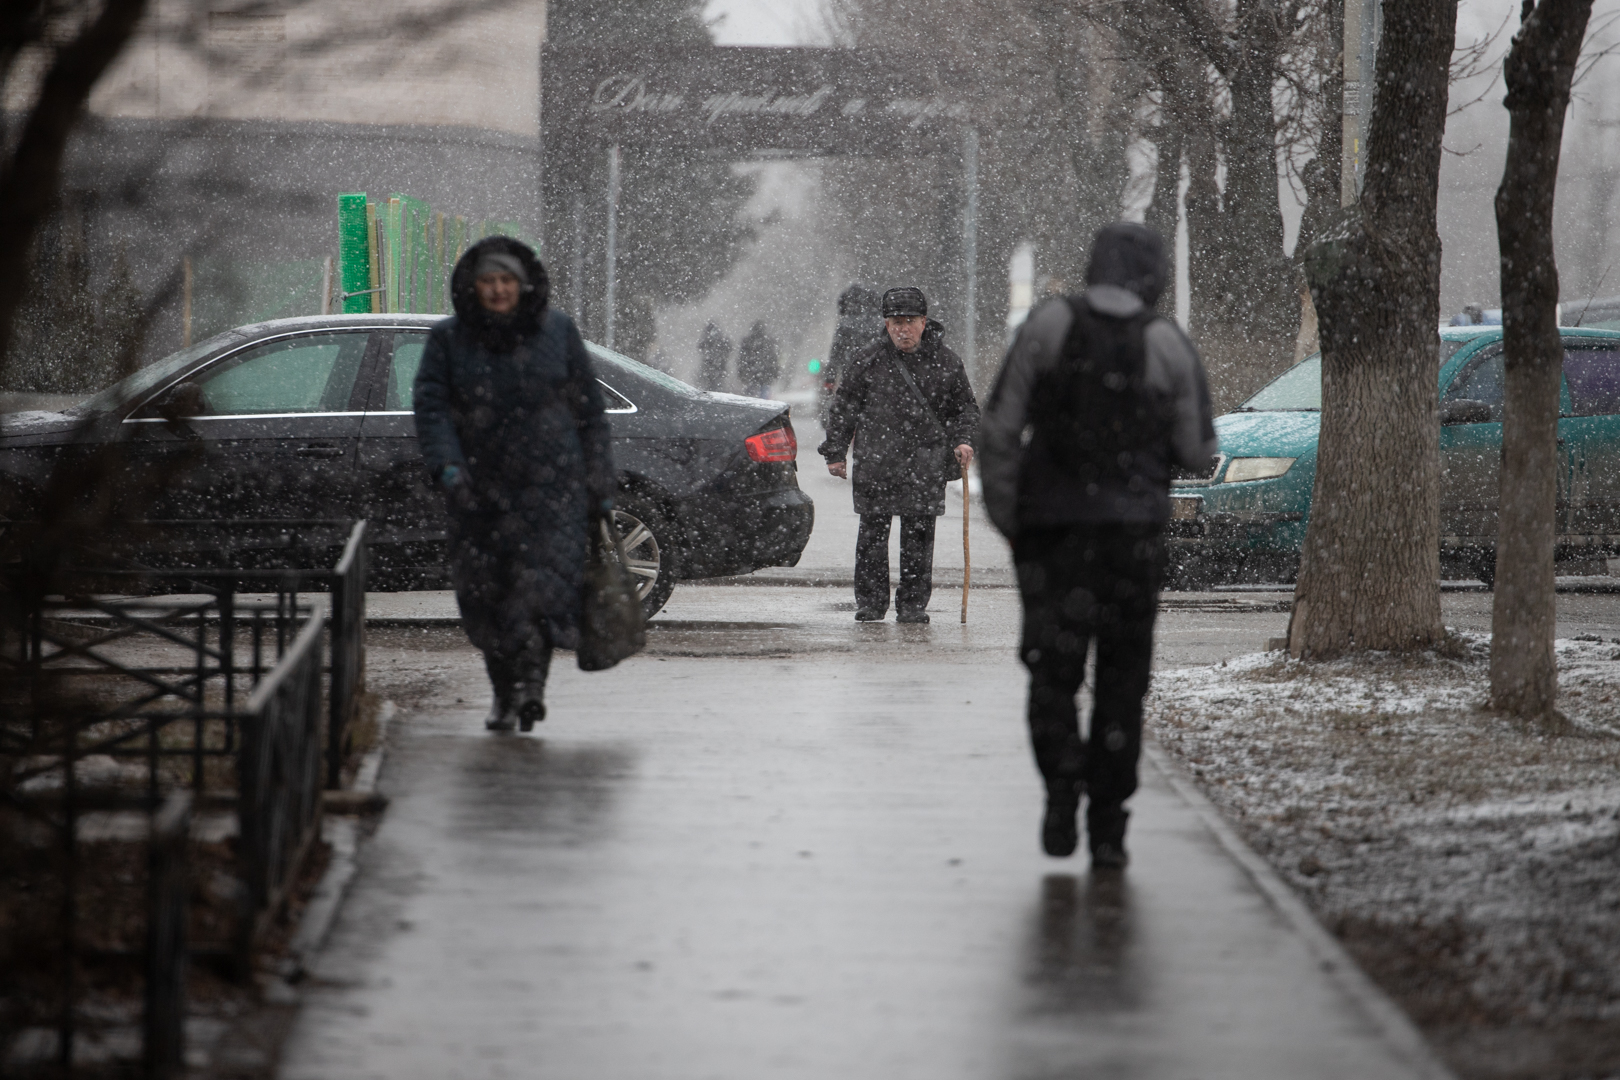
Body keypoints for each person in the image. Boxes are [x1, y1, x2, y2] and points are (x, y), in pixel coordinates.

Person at [980, 223, 1217, 867]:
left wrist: (1014, 519)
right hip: (1132, 541)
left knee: (1052, 673)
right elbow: (1199, 450)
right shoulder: (1167, 341)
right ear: (1154, 275)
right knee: (1121, 680)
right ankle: (1109, 825)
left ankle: (1061, 794)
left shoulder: (1047, 325)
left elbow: (999, 428)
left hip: (1054, 537)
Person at [414, 236, 617, 732]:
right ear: (474, 286)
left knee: (540, 593)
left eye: (506, 280)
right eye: (489, 281)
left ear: (522, 285)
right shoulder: (448, 340)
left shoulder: (558, 332)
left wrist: (598, 479)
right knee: (489, 596)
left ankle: (530, 689)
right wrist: (449, 469)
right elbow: (432, 408)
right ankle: (503, 691)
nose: (499, 290)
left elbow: (590, 412)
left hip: (552, 492)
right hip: (479, 494)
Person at [819, 286, 978, 624]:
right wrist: (835, 451)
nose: (902, 329)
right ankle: (872, 603)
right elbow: (844, 408)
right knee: (872, 538)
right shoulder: (868, 359)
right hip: (877, 463)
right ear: (886, 324)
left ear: (924, 322)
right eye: (895, 322)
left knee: (918, 539)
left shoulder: (946, 361)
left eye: (909, 321)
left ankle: (912, 605)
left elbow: (966, 408)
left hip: (926, 463)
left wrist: (964, 440)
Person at [822, 284, 883, 417]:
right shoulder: (881, 323)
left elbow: (835, 355)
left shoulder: (845, 324)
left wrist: (830, 379)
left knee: (851, 413)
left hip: (852, 376)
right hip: (880, 377)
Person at [736, 321, 781, 398]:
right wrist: (774, 372)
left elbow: (742, 358)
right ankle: (763, 407)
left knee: (749, 396)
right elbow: (773, 358)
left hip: (750, 373)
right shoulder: (768, 342)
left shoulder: (747, 341)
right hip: (765, 374)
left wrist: (742, 372)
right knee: (764, 395)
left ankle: (750, 407)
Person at [697, 321, 732, 391]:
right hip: (717, 366)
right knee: (717, 385)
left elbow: (700, 347)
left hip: (711, 366)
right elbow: (728, 348)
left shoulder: (708, 339)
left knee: (710, 385)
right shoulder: (720, 338)